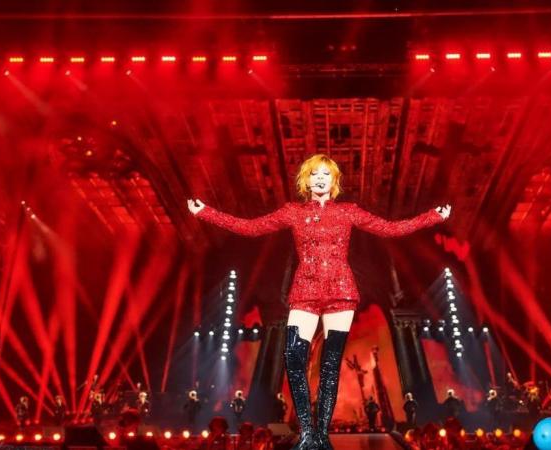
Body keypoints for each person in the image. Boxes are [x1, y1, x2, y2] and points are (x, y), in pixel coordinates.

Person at [188, 154, 451, 450]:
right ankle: (308, 433)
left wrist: (434, 217)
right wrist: (206, 212)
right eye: (315, 174)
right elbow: (251, 227)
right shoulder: (292, 212)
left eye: (326, 174)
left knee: (330, 366)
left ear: (334, 181)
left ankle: (320, 437)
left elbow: (390, 228)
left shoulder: (348, 211)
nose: (321, 178)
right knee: (293, 358)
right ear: (306, 180)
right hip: (305, 291)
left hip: (341, 291)